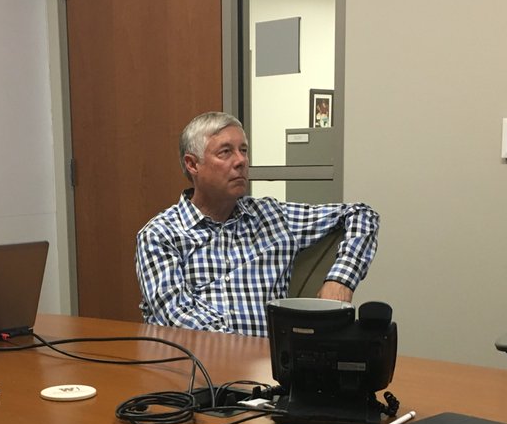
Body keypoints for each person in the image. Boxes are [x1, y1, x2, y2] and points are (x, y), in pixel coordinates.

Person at [137, 111, 379, 337]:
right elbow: (176, 318)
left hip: (270, 365)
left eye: (244, 150)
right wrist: (245, 351)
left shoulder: (273, 217)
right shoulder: (161, 235)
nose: (241, 161)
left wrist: (341, 280)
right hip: (197, 362)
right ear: (192, 164)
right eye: (226, 152)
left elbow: (361, 215)